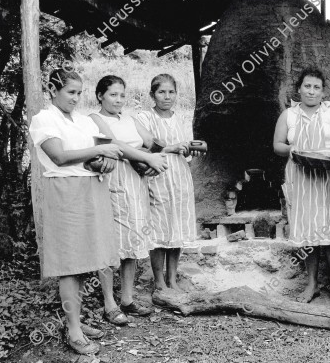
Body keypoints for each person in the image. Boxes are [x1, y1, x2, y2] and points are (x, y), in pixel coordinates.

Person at [29, 69, 123, 354]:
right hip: (65, 192)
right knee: (70, 265)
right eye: (71, 92)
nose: (76, 98)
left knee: (85, 261)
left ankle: (78, 322)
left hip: (91, 190)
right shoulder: (43, 119)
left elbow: (94, 157)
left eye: (79, 92)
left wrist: (103, 162)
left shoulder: (82, 121)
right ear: (52, 90)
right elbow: (58, 156)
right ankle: (73, 331)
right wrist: (99, 154)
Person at [89, 75, 169, 325]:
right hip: (113, 182)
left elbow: (154, 143)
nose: (119, 100)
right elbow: (114, 145)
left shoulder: (130, 118)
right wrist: (143, 156)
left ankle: (127, 298)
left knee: (132, 241)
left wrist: (146, 158)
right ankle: (109, 304)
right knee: (110, 243)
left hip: (136, 182)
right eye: (113, 94)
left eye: (122, 95)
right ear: (100, 95)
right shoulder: (94, 119)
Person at [273, 67, 330, 307]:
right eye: (307, 86)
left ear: (323, 91)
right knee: (308, 231)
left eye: (316, 87)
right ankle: (312, 284)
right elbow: (277, 145)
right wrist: (292, 150)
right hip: (301, 177)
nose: (311, 91)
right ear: (299, 88)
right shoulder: (289, 115)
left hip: (329, 176)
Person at [136, 74, 202, 303]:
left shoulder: (180, 118)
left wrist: (189, 150)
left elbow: (186, 147)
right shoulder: (145, 118)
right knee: (158, 229)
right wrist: (172, 148)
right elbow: (146, 149)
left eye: (171, 92)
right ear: (152, 94)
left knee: (177, 228)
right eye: (162, 92)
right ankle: (159, 282)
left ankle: (173, 279)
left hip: (180, 176)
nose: (167, 97)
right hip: (158, 175)